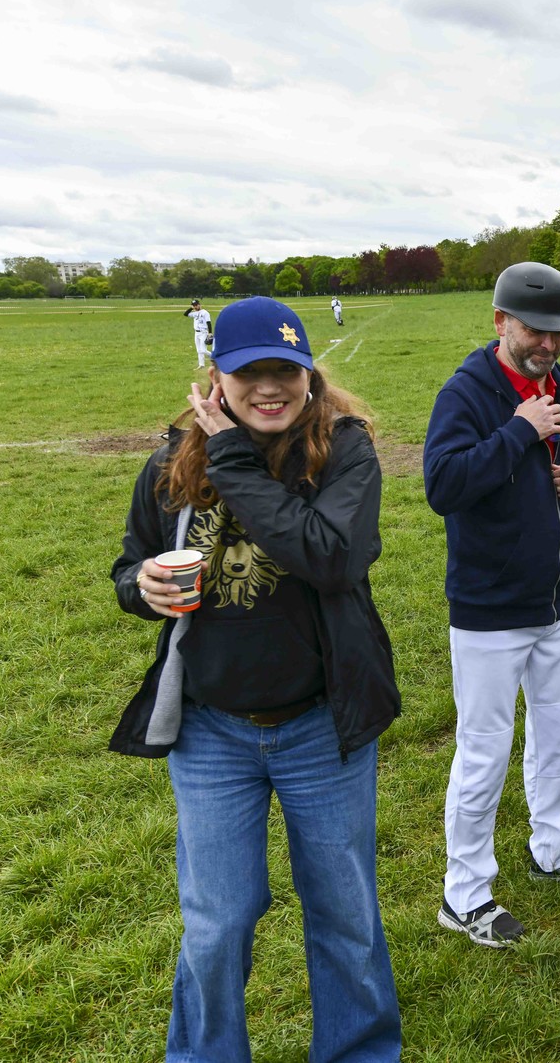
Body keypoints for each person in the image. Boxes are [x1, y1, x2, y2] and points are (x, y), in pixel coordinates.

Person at [110, 295, 401, 1060]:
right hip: (212, 731)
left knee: (344, 915)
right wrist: (139, 584)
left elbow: (331, 556)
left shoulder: (344, 449)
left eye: (286, 371)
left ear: (310, 373)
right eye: (249, 374)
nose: (269, 388)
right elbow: (131, 560)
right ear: (217, 379)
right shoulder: (173, 460)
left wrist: (234, 458)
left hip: (320, 725)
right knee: (218, 922)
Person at [424, 261, 560, 947]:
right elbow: (444, 483)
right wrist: (518, 430)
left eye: (558, 333)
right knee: (484, 749)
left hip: (557, 602)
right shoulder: (469, 392)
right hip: (489, 610)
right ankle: (466, 892)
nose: (547, 345)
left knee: (558, 731)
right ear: (500, 323)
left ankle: (553, 846)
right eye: (535, 331)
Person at [183, 298, 212, 368]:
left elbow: (209, 323)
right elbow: (185, 314)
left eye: (196, 305)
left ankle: (214, 356)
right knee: (199, 350)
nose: (195, 307)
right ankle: (201, 365)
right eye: (194, 305)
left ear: (199, 305)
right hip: (197, 333)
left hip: (203, 332)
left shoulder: (205, 312)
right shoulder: (194, 313)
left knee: (203, 350)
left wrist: (210, 333)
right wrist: (191, 308)